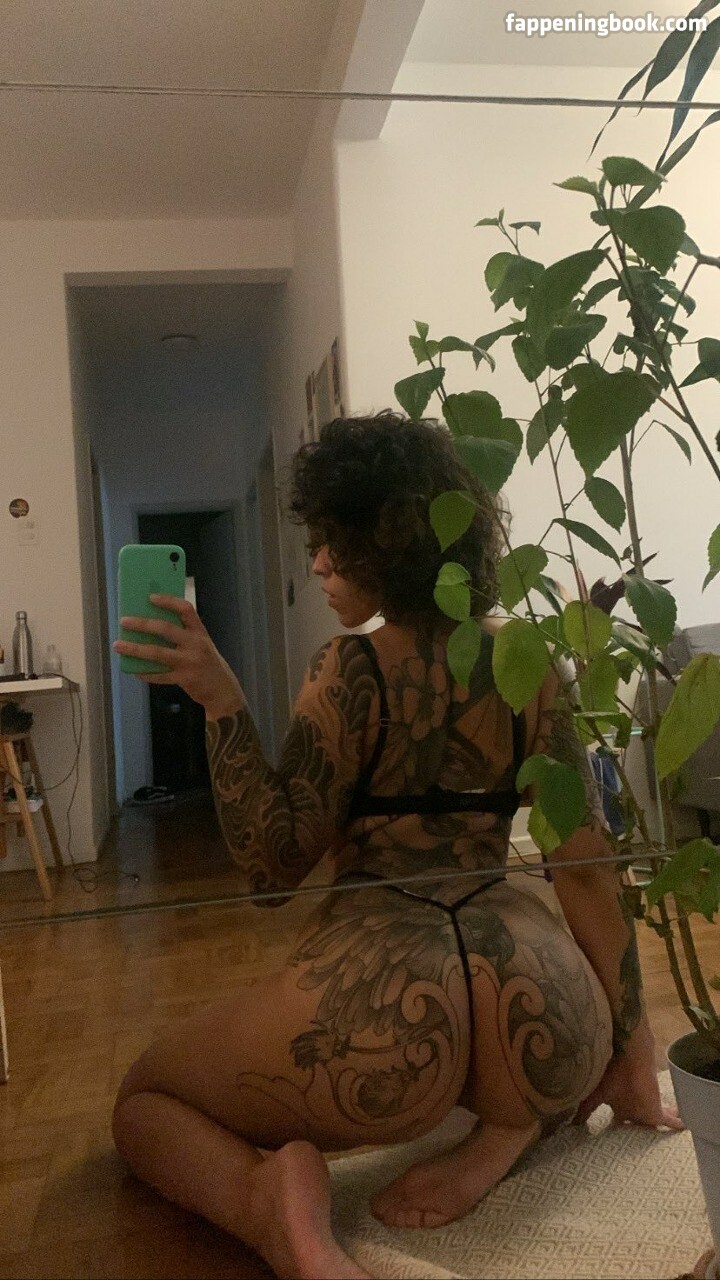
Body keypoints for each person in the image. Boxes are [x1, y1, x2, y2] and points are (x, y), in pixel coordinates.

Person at [112, 413, 681, 1280]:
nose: (317, 564)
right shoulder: (529, 661)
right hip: (544, 1010)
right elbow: (585, 871)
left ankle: (267, 1206)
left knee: (145, 1100)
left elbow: (271, 868)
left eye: (331, 542)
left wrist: (223, 702)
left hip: (381, 1016)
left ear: (384, 541)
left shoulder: (348, 671)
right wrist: (633, 1053)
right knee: (537, 1059)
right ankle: (508, 1126)